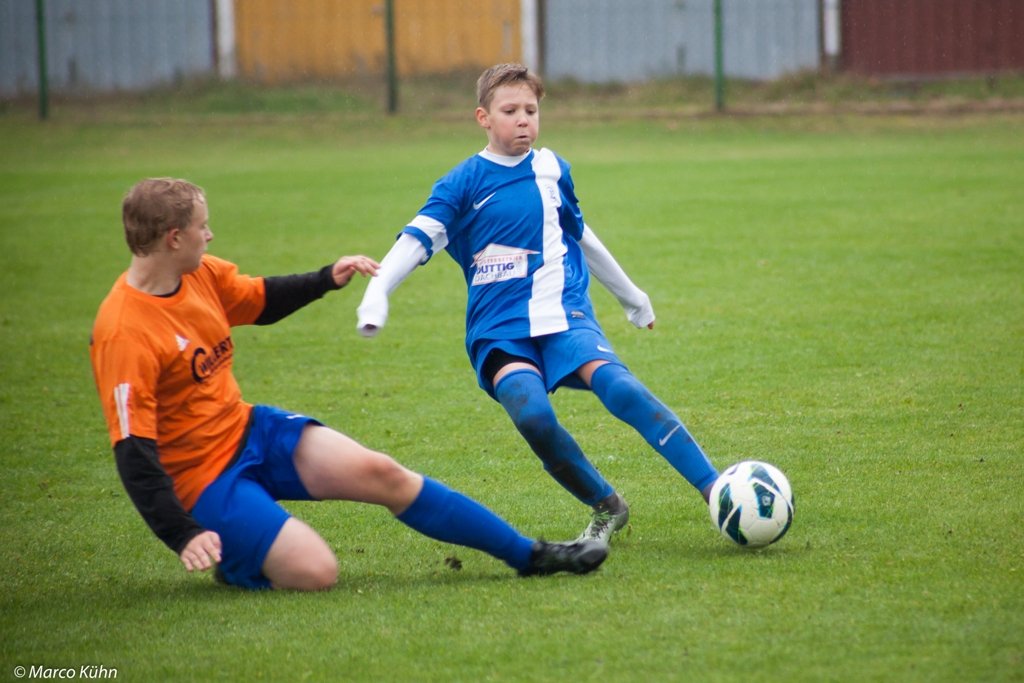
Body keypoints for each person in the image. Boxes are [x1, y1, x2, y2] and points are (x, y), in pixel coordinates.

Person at [89, 177, 607, 591]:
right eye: (202, 227)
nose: (210, 235)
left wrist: (325, 278)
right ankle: (238, 559)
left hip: (250, 430)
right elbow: (134, 452)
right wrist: (182, 534)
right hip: (202, 480)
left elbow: (257, 299)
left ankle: (530, 556)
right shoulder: (124, 332)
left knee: (384, 473)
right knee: (317, 573)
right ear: (173, 238)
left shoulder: (199, 274)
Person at [356, 64, 720, 545]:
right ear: (483, 117)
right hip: (498, 330)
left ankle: (716, 489)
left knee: (621, 387)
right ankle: (606, 506)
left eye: (531, 110)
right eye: (510, 111)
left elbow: (581, 235)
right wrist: (376, 294)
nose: (523, 119)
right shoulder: (461, 184)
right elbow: (415, 242)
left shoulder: (552, 169)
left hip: (563, 313)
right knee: (532, 415)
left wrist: (633, 297)